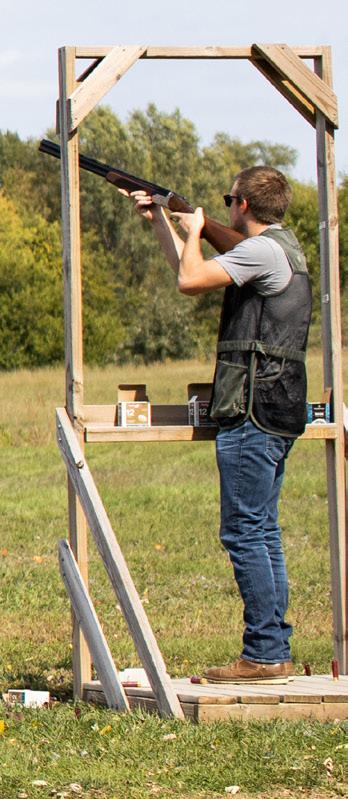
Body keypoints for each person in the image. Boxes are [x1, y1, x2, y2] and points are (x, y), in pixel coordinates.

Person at [128, 166, 309, 684]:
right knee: (262, 530)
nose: (227, 207)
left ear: (243, 205)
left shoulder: (261, 251)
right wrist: (165, 222)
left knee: (244, 531)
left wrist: (196, 228)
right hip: (274, 406)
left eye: (229, 201)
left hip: (253, 411)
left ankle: (265, 652)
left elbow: (190, 281)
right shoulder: (280, 248)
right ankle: (272, 648)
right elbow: (190, 272)